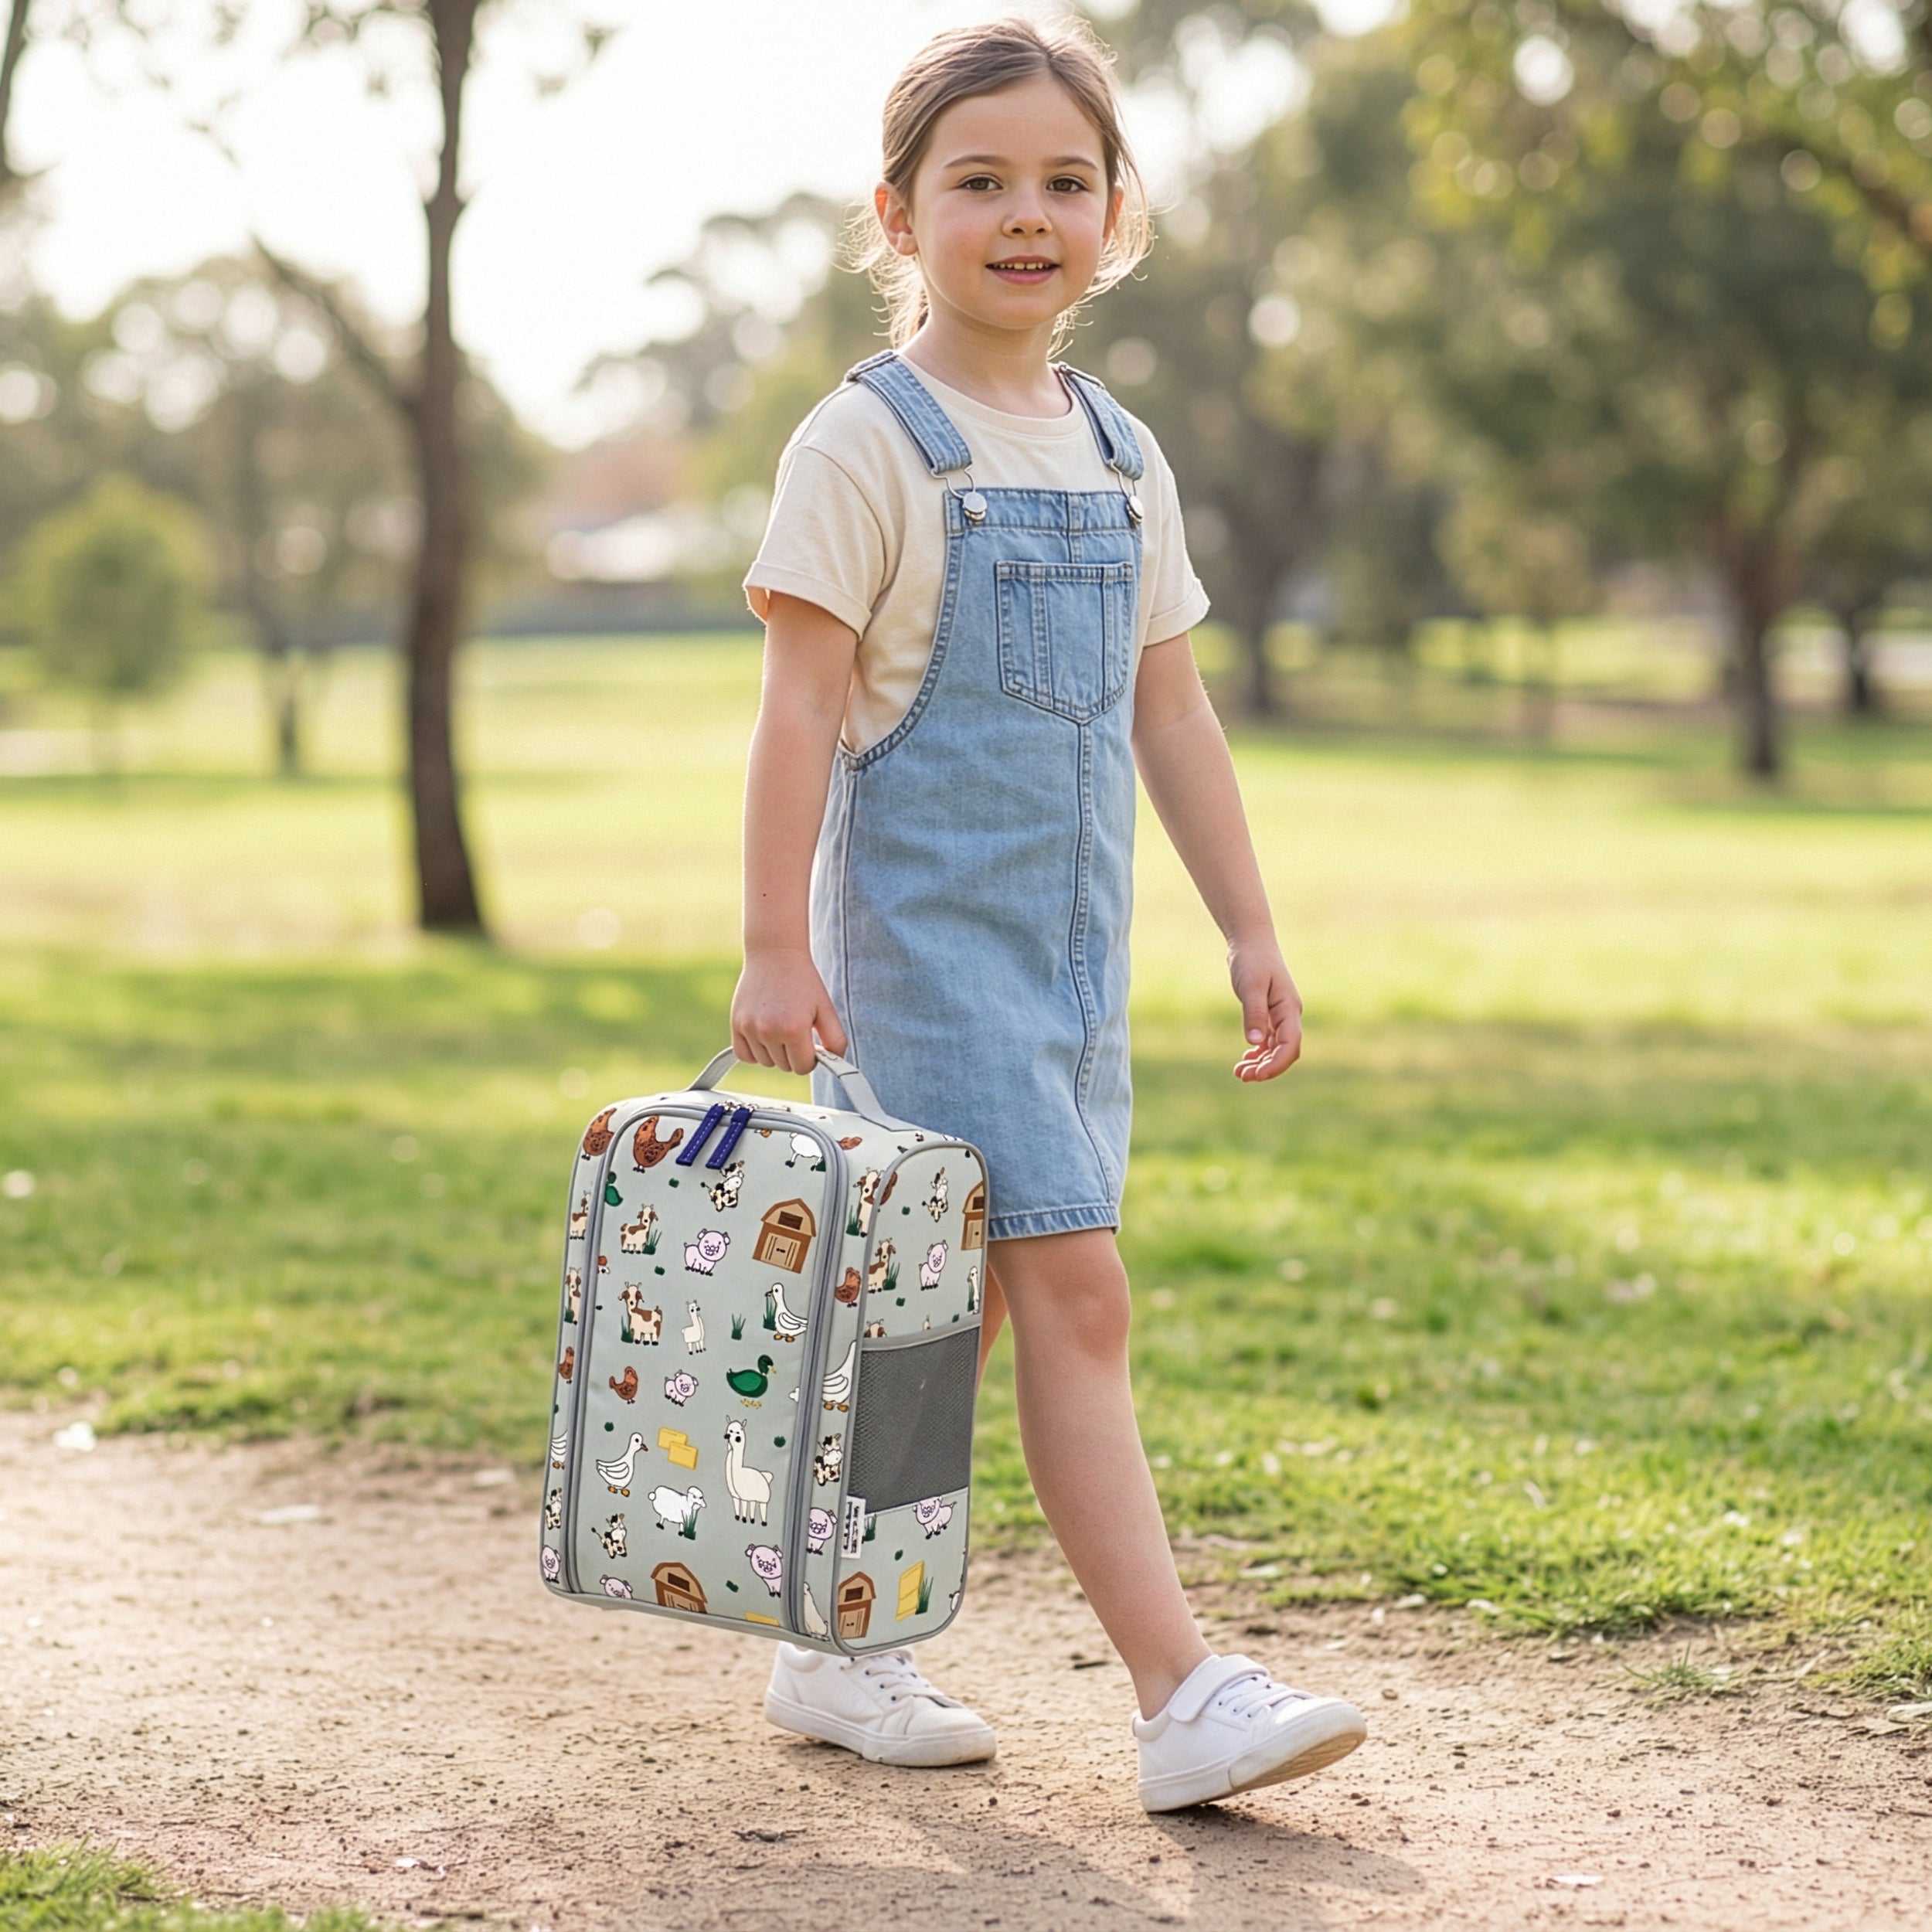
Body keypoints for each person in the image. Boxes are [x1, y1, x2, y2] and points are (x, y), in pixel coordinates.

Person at [729, 15, 1366, 1813]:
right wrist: (773, 941)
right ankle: (1181, 1691)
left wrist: (1246, 923)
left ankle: (832, 1638)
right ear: (896, 214)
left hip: (1073, 974)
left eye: (1065, 181)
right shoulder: (862, 445)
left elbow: (1173, 711)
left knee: (955, 1316)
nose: (1027, 213)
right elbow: (795, 710)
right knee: (1075, 1291)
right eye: (980, 181)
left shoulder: (1116, 450)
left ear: (1114, 214)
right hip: (921, 964)